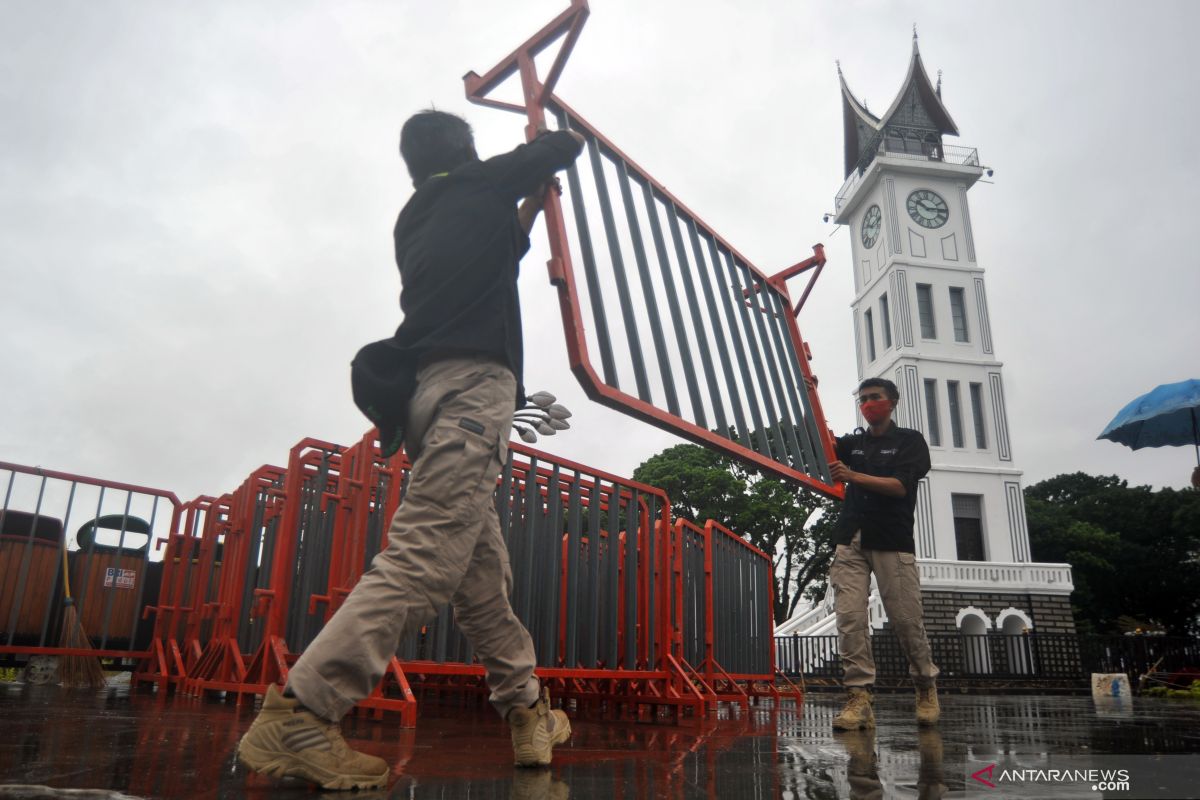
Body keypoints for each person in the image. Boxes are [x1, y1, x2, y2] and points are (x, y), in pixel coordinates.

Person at [235, 110, 586, 790]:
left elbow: (500, 251)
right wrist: (547, 153)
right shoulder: (480, 183)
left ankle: (528, 714)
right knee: (423, 557)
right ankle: (305, 710)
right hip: (474, 394)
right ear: (467, 151)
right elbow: (561, 146)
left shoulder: (417, 219)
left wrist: (531, 208)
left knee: (484, 586)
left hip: (428, 400)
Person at [827, 378, 939, 730]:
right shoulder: (854, 443)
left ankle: (924, 685)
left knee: (906, 620)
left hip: (891, 539)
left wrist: (852, 475)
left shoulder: (909, 441)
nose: (868, 404)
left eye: (875, 398)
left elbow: (900, 486)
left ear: (892, 401)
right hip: (850, 539)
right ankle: (859, 698)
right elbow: (822, 442)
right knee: (849, 619)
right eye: (862, 399)